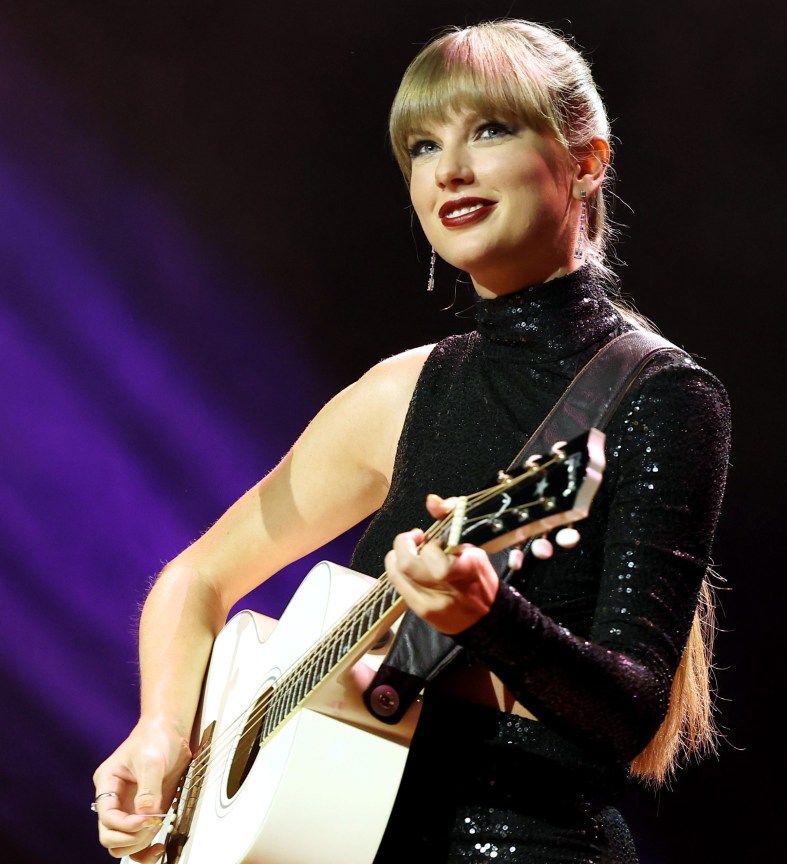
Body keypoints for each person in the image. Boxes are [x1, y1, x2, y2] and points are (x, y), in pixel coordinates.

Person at [92, 18, 731, 864]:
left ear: (585, 160)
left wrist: (489, 616)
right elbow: (198, 578)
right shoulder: (398, 393)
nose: (451, 169)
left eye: (491, 130)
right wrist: (164, 733)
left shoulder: (659, 397)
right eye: (423, 146)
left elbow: (631, 708)